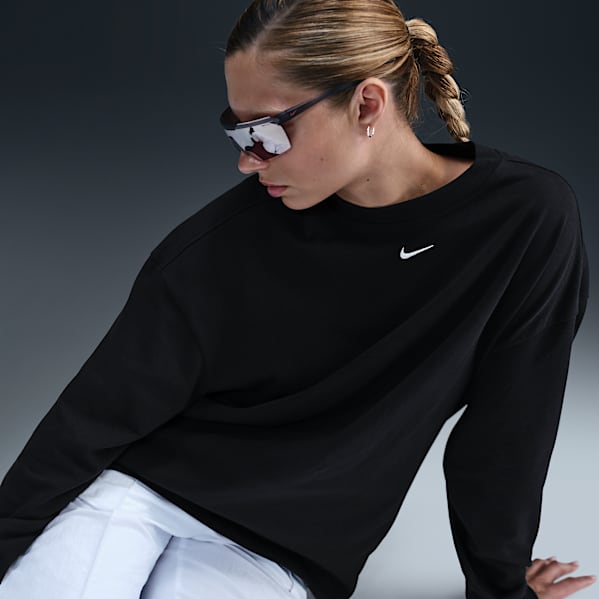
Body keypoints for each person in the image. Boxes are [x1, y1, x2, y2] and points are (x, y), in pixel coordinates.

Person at [0, 1, 594, 598]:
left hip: (279, 549)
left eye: (265, 132)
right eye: (238, 131)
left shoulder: (522, 220)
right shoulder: (220, 244)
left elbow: (508, 429)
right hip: (133, 494)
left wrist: (500, 588)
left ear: (366, 104)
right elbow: (92, 417)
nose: (245, 161)